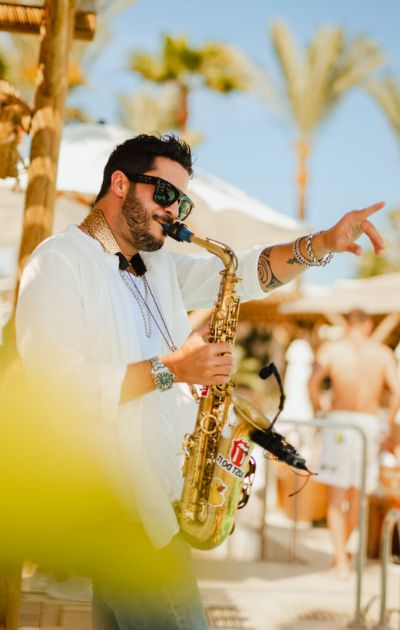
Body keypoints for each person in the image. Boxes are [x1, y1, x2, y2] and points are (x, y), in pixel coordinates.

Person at [15, 132, 386, 629]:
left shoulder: (159, 263)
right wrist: (174, 369)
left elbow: (245, 273)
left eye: (182, 202)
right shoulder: (58, 262)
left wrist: (319, 244)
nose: (175, 212)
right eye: (164, 194)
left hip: (158, 502)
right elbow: (55, 388)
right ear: (120, 184)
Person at [308, 308, 400, 578]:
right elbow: (397, 392)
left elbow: (312, 383)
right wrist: (388, 423)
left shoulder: (332, 349)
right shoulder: (382, 353)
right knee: (357, 495)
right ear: (369, 325)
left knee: (337, 495)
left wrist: (319, 411)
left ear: (348, 324)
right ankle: (342, 554)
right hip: (368, 424)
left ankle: (340, 560)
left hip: (338, 421)